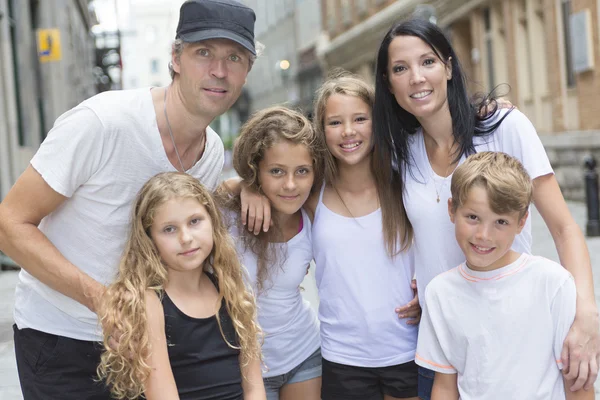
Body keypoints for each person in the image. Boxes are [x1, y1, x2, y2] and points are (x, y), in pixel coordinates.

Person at [0, 0, 260, 397]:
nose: (219, 70)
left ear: (247, 71)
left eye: (235, 57)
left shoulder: (208, 152)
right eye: (203, 52)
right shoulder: (103, 122)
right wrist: (102, 301)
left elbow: (188, 217)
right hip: (63, 338)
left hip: (148, 344)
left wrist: (249, 185)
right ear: (175, 57)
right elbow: (9, 223)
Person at [371, 18, 600, 398]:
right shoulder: (402, 152)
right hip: (445, 338)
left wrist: (587, 312)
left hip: (517, 334)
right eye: (400, 68)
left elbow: (564, 228)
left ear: (447, 67)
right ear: (388, 83)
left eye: (427, 62)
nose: (416, 77)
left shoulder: (504, 127)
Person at [415, 151, 593, 400]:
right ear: (452, 209)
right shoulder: (440, 292)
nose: (483, 235)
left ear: (521, 222)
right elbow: (445, 387)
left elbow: (577, 383)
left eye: (500, 222)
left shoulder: (553, 283)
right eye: (473, 217)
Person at [97, 172, 265, 400]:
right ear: (149, 239)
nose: (185, 238)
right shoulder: (149, 302)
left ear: (212, 221)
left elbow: (254, 387)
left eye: (194, 221)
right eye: (169, 229)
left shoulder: (230, 289)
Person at [219, 106, 329, 400]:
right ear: (256, 170)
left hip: (303, 353)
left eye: (302, 171)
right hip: (241, 363)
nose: (291, 184)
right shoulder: (229, 213)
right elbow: (189, 200)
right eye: (277, 171)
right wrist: (243, 187)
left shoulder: (313, 217)